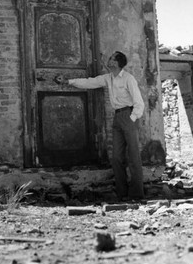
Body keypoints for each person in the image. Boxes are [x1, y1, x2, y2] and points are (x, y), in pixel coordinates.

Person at [56, 51, 145, 201]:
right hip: (117, 117)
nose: (108, 60)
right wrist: (69, 81)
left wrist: (132, 118)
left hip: (129, 116)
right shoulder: (107, 78)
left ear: (116, 63)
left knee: (133, 156)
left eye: (111, 58)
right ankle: (122, 193)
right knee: (116, 157)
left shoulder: (129, 79)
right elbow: (90, 82)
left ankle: (137, 194)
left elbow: (139, 102)